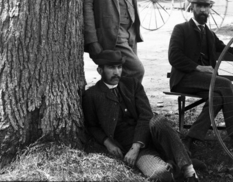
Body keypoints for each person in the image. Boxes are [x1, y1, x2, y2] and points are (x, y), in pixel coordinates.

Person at [82, 50, 203, 182]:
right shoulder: (92, 95)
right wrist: (107, 142)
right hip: (133, 148)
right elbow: (92, 126)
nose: (117, 72)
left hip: (151, 135)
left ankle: (189, 171)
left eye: (119, 67)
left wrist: (136, 146)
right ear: (100, 70)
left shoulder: (132, 84)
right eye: (111, 68)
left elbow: (146, 115)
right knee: (161, 174)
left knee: (159, 121)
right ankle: (174, 163)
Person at [168, 0, 233, 152]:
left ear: (210, 8)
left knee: (217, 98)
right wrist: (198, 67)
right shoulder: (181, 29)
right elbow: (173, 56)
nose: (203, 10)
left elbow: (226, 49)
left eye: (206, 6)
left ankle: (190, 139)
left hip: (203, 83)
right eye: (199, 6)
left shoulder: (209, 34)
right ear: (192, 7)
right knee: (224, 83)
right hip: (183, 79)